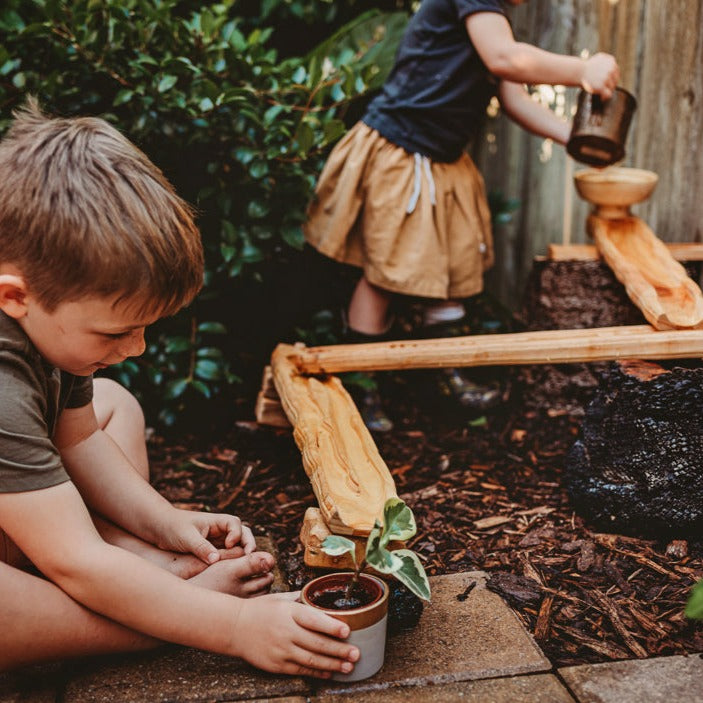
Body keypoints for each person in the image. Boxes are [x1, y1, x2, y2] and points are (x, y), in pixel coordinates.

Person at [0, 99, 359, 677]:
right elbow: (74, 562)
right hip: (35, 555)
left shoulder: (45, 331)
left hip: (26, 516)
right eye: (118, 331)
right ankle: (135, 626)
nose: (138, 347)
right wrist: (234, 626)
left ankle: (139, 575)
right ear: (14, 297)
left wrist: (162, 522)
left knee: (118, 404)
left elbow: (80, 441)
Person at [303, 0, 620, 431]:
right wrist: (581, 71)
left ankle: (443, 377)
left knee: (450, 267)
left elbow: (512, 95)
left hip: (440, 159)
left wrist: (577, 138)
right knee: (383, 276)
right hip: (404, 150)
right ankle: (361, 383)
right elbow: (503, 58)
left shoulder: (492, 13)